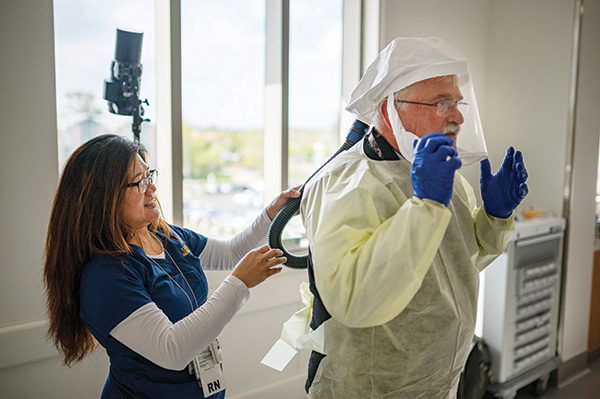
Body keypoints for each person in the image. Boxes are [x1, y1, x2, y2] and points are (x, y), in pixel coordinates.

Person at [300, 37, 528, 398]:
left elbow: (452, 268)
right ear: (390, 108)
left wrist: (493, 217)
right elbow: (354, 299)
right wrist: (424, 208)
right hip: (371, 386)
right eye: (441, 103)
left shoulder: (438, 177)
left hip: (438, 379)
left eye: (456, 102)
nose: (458, 116)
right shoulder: (346, 183)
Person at [43, 134, 300, 399]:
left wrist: (273, 213)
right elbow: (172, 349)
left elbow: (230, 252)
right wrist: (238, 283)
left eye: (149, 176)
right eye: (139, 183)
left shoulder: (167, 236)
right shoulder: (106, 275)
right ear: (104, 198)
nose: (151, 189)